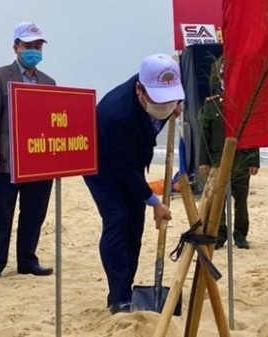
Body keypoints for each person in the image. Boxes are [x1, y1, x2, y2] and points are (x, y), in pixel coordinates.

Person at [83, 53, 183, 314]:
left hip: (133, 161)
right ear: (140, 89)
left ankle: (126, 287)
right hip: (103, 167)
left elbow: (132, 169)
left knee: (134, 225)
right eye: (159, 102)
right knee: (118, 220)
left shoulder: (165, 92)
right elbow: (123, 170)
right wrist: (154, 202)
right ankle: (119, 298)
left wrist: (176, 104)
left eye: (169, 100)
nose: (164, 107)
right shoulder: (117, 114)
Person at [0, 22, 56, 282]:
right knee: (1, 214)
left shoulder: (49, 82)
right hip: (6, 158)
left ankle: (27, 260)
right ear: (16, 48)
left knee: (34, 213)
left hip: (38, 160)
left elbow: (53, 120)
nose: (33, 50)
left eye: (37, 46)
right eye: (28, 46)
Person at [198, 67, 259, 250]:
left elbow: (253, 132)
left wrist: (254, 160)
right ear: (220, 76)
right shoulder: (212, 103)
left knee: (241, 200)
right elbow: (204, 134)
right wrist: (203, 160)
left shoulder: (245, 102)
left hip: (241, 158)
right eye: (225, 75)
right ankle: (220, 234)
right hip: (218, 160)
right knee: (219, 200)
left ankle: (240, 235)